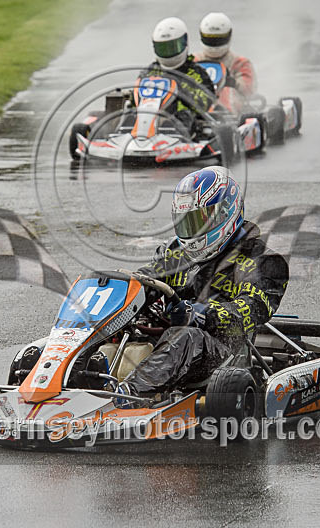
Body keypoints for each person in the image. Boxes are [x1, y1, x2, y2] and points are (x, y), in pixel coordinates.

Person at [120, 166, 289, 396]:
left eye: (200, 220)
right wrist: (125, 291)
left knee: (186, 337)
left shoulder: (262, 260)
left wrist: (203, 314)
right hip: (168, 343)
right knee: (116, 327)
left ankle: (126, 396)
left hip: (222, 351)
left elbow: (252, 310)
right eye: (186, 221)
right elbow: (147, 279)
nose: (193, 230)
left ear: (225, 213)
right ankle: (75, 381)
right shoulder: (174, 252)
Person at [140, 17, 216, 135]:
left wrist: (180, 89)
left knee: (183, 115)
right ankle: (124, 135)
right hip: (149, 115)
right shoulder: (150, 71)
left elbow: (206, 101)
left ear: (185, 43)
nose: (168, 53)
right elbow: (137, 95)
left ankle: (173, 134)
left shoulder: (195, 72)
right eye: (163, 48)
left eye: (172, 47)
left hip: (183, 119)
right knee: (129, 115)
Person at [194, 12, 257, 112]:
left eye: (218, 40)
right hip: (197, 110)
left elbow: (249, 90)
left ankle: (220, 110)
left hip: (231, 114)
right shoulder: (193, 61)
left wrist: (233, 83)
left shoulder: (240, 63)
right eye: (210, 39)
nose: (214, 45)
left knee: (226, 89)